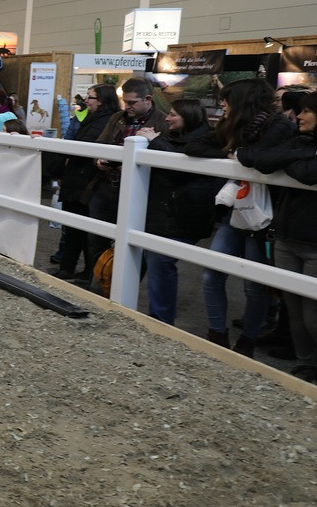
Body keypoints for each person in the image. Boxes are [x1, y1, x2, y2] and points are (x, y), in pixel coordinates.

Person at [184, 78, 293, 353]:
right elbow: (194, 147)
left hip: (264, 217)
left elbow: (256, 157)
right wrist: (230, 152)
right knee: (212, 274)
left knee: (254, 285)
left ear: (242, 101)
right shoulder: (231, 125)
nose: (222, 104)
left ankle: (248, 340)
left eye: (226, 99)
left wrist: (237, 153)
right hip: (234, 213)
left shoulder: (277, 125)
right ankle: (217, 334)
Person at [237, 91, 317, 383]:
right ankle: (307, 364)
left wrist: (292, 160)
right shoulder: (301, 142)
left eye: (307, 111)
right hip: (287, 236)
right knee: (294, 311)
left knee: (311, 315)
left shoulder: (297, 142)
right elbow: (259, 159)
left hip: (313, 242)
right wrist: (304, 154)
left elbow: (308, 174)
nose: (299, 116)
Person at [135, 98, 218, 325]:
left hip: (182, 214)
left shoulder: (206, 141)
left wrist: (155, 141)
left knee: (159, 261)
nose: (167, 118)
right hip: (166, 212)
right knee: (151, 259)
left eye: (173, 114)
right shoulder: (179, 138)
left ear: (188, 116)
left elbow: (179, 171)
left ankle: (161, 319)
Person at [86, 78, 170, 276]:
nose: (127, 107)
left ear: (148, 99)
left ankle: (126, 285)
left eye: (132, 103)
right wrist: (98, 161)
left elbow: (165, 157)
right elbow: (100, 144)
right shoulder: (117, 118)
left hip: (138, 192)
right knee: (96, 238)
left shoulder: (162, 122)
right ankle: (97, 283)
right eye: (125, 102)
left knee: (133, 243)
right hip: (107, 186)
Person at [45, 83, 118, 284]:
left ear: (102, 100)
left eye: (91, 97)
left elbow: (84, 145)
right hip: (78, 178)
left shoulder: (104, 121)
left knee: (84, 229)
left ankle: (87, 273)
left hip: (86, 181)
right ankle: (69, 268)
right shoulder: (92, 118)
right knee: (74, 228)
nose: (86, 100)